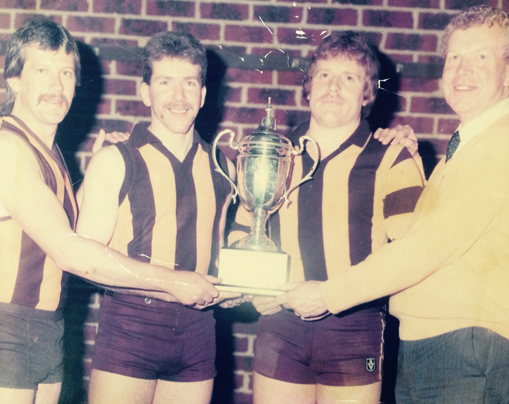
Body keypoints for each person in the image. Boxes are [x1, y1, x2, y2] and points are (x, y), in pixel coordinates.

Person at [277, 5, 509, 403]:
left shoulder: (498, 144)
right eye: (455, 57)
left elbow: (425, 246)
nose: (463, 71)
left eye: (481, 57)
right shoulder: (470, 145)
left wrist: (327, 295)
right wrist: (416, 163)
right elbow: (434, 231)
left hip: (465, 349)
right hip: (439, 346)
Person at [0, 19, 223, 404]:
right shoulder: (8, 146)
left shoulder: (48, 153)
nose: (57, 86)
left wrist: (93, 177)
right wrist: (172, 282)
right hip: (8, 328)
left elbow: (57, 227)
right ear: (14, 80)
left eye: (66, 73)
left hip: (47, 331)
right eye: (42, 71)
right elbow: (71, 253)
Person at [228, 31, 425, 404]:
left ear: (366, 93)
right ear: (308, 87)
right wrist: (257, 288)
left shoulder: (392, 155)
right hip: (281, 325)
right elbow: (242, 232)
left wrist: (331, 295)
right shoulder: (276, 154)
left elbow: (409, 255)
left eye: (348, 77)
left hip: (355, 327)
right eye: (324, 75)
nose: (333, 87)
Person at [76, 31, 237, 404]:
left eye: (189, 83)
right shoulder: (115, 160)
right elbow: (86, 262)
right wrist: (171, 283)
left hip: (199, 332)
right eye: (165, 83)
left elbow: (220, 255)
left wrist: (233, 288)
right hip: (130, 327)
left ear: (203, 94)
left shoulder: (225, 168)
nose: (179, 97)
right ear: (145, 92)